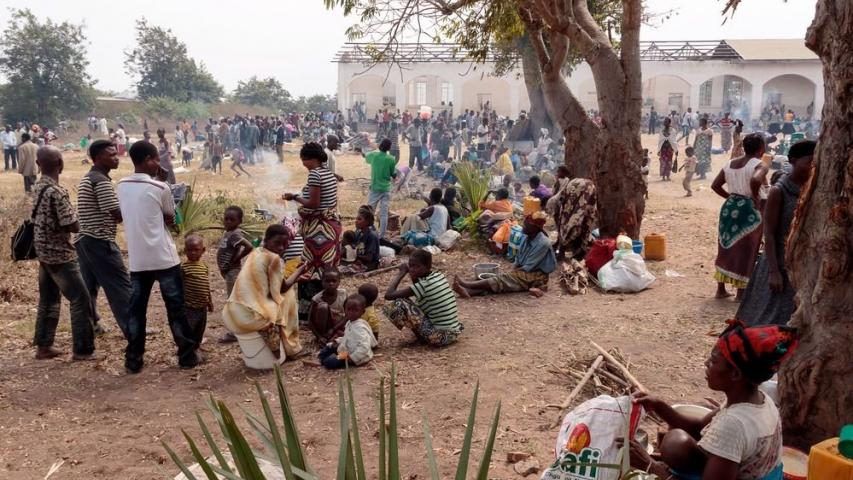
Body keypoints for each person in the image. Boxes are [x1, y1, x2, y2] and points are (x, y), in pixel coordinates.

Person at [621, 321, 796, 480]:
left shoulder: (733, 425)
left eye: (713, 361)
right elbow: (697, 428)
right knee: (675, 441)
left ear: (735, 374)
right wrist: (659, 406)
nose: (706, 363)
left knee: (672, 445)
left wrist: (649, 465)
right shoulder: (759, 400)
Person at [118, 140, 201, 373]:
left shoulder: (121, 185)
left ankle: (133, 360)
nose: (159, 164)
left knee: (136, 311)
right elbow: (173, 220)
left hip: (138, 259)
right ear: (147, 160)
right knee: (175, 308)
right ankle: (187, 357)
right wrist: (163, 182)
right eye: (156, 159)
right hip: (164, 258)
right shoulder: (160, 188)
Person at [737, 141, 815, 326]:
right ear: (793, 161)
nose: (813, 166)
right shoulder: (779, 191)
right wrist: (774, 271)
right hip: (778, 262)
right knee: (768, 316)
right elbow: (769, 233)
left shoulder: (813, 189)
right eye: (809, 161)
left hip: (803, 263)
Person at [31, 146, 97, 360]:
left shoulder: (37, 187)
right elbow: (73, 224)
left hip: (43, 252)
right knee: (81, 299)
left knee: (48, 300)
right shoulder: (57, 192)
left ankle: (43, 346)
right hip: (60, 255)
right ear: (60, 162)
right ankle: (83, 350)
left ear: (38, 164)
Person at [222, 224, 306, 359]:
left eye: (285, 244)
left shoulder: (256, 252)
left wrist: (296, 275)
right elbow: (283, 288)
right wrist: (300, 270)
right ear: (266, 240)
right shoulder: (274, 258)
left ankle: (277, 342)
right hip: (252, 317)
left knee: (278, 297)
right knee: (288, 296)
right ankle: (290, 348)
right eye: (277, 243)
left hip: (231, 314)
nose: (281, 248)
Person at [75, 140, 132, 336]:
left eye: (116, 154)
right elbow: (117, 213)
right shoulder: (100, 181)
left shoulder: (89, 178)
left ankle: (91, 325)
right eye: (112, 154)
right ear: (98, 158)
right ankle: (132, 328)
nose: (117, 158)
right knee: (120, 286)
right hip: (99, 241)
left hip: (84, 241)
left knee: (88, 289)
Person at [712, 133, 769, 301]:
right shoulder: (760, 164)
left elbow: (715, 185)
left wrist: (731, 198)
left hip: (730, 208)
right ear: (761, 148)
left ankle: (720, 290)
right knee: (747, 250)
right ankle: (741, 293)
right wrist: (755, 198)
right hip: (749, 211)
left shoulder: (730, 164)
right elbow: (756, 180)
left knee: (726, 247)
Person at [454, 213, 556, 297]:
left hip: (537, 275)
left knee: (504, 279)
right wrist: (513, 271)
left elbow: (529, 266)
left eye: (526, 225)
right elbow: (518, 258)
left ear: (535, 228)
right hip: (525, 270)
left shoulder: (543, 243)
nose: (523, 226)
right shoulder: (526, 236)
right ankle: (468, 292)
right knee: (504, 282)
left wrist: (512, 274)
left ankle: (467, 284)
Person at [284, 142, 341, 282]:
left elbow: (314, 204)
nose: (303, 164)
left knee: (312, 265)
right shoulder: (328, 172)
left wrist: (294, 197)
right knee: (328, 262)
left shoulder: (314, 174)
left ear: (312, 158)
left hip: (318, 228)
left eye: (303, 160)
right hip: (331, 224)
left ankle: (312, 299)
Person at [384, 249, 463, 346]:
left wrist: (401, 273)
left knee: (399, 303)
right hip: (452, 333)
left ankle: (422, 338)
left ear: (426, 267)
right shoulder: (438, 275)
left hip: (441, 337)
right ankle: (424, 335)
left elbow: (388, 295)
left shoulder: (424, 285)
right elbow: (418, 289)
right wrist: (412, 273)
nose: (412, 269)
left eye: (416, 266)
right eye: (410, 265)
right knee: (406, 302)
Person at [317, 294, 377, 369]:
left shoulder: (360, 328)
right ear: (344, 310)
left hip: (353, 355)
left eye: (355, 310)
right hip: (347, 349)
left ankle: (325, 361)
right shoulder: (350, 322)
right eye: (348, 309)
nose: (351, 312)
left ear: (362, 312)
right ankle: (322, 359)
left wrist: (352, 358)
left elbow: (364, 347)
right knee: (327, 349)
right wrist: (337, 341)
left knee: (329, 362)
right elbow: (348, 337)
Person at [552, 179, 597, 260]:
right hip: (578, 202)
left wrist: (562, 247)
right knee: (568, 220)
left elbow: (579, 220)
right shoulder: (565, 204)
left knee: (574, 222)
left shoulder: (587, 189)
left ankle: (575, 250)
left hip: (583, 207)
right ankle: (563, 247)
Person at [181, 235, 213, 347]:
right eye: (190, 250)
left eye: (196, 250)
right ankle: (188, 348)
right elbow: (180, 285)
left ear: (203, 250)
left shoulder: (204, 266)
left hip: (202, 306)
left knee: (200, 327)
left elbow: (206, 284)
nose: (193, 253)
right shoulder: (183, 267)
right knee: (189, 328)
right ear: (185, 251)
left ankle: (197, 347)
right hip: (190, 306)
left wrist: (210, 301)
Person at [365, 139, 397, 238]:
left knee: (370, 212)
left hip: (375, 188)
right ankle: (381, 235)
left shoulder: (373, 155)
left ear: (380, 146)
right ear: (389, 148)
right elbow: (393, 174)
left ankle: (368, 232)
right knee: (384, 213)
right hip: (386, 189)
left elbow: (366, 157)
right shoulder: (391, 158)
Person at [307, 269, 347, 344]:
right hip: (325, 327)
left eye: (334, 281)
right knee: (323, 307)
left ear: (339, 282)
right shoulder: (317, 299)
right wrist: (319, 336)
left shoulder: (343, 294)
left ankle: (332, 336)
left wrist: (334, 328)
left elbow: (347, 315)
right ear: (322, 282)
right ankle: (324, 337)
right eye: (327, 281)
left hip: (339, 325)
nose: (331, 284)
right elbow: (310, 321)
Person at [340, 206, 380, 274]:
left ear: (367, 222)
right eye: (356, 218)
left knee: (347, 269)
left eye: (359, 219)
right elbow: (353, 246)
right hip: (359, 260)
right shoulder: (358, 233)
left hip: (370, 264)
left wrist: (354, 255)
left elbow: (369, 258)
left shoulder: (371, 236)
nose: (356, 221)